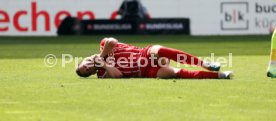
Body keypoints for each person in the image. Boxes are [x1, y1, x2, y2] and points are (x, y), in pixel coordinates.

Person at [76, 37, 233, 79]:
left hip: (144, 53)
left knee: (157, 50)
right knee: (173, 73)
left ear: (86, 58)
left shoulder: (103, 46)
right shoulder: (102, 73)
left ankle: (204, 63)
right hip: (146, 70)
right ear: (91, 73)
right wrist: (103, 63)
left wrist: (101, 56)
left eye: (86, 64)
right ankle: (220, 75)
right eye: (87, 70)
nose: (89, 66)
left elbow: (111, 41)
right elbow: (118, 75)